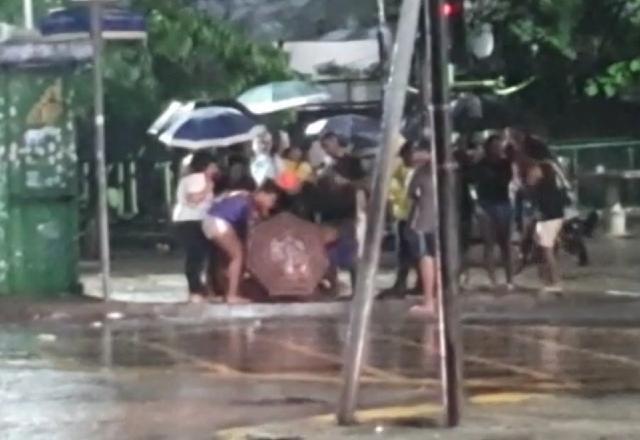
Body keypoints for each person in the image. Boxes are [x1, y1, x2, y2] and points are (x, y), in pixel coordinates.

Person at [202, 180, 284, 304]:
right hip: (220, 222)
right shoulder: (250, 204)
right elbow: (252, 231)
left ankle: (220, 291)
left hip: (209, 219)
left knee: (225, 258)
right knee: (238, 256)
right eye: (271, 200)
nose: (271, 205)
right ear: (262, 194)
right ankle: (232, 295)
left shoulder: (242, 194)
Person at [172, 152, 218, 303]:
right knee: (195, 256)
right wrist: (207, 189)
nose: (216, 168)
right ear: (206, 166)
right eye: (213, 165)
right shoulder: (197, 178)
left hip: (191, 220)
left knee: (198, 255)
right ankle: (195, 290)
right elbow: (193, 199)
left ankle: (200, 288)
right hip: (190, 221)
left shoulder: (195, 178)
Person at [472, 134, 514, 290]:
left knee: (505, 244)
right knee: (489, 243)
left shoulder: (505, 163)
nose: (497, 149)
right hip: (486, 204)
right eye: (494, 146)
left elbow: (505, 180)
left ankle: (510, 280)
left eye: (499, 146)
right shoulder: (481, 164)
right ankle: (493, 280)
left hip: (502, 203)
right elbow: (475, 180)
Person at [406, 145, 438, 316]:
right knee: (438, 260)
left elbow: (411, 193)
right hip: (443, 221)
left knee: (427, 258)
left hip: (425, 221)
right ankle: (437, 299)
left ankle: (429, 301)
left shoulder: (423, 172)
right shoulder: (448, 170)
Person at [383, 141, 419, 296]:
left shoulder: (420, 171)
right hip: (405, 216)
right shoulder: (399, 171)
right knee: (405, 252)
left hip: (418, 216)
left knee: (417, 252)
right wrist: (391, 212)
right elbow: (392, 195)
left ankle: (416, 282)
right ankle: (402, 283)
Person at [526, 162, 566, 293]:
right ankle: (550, 279)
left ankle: (555, 281)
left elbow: (544, 207)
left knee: (547, 250)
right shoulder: (546, 186)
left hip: (549, 219)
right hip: (549, 219)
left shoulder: (545, 187)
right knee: (545, 249)